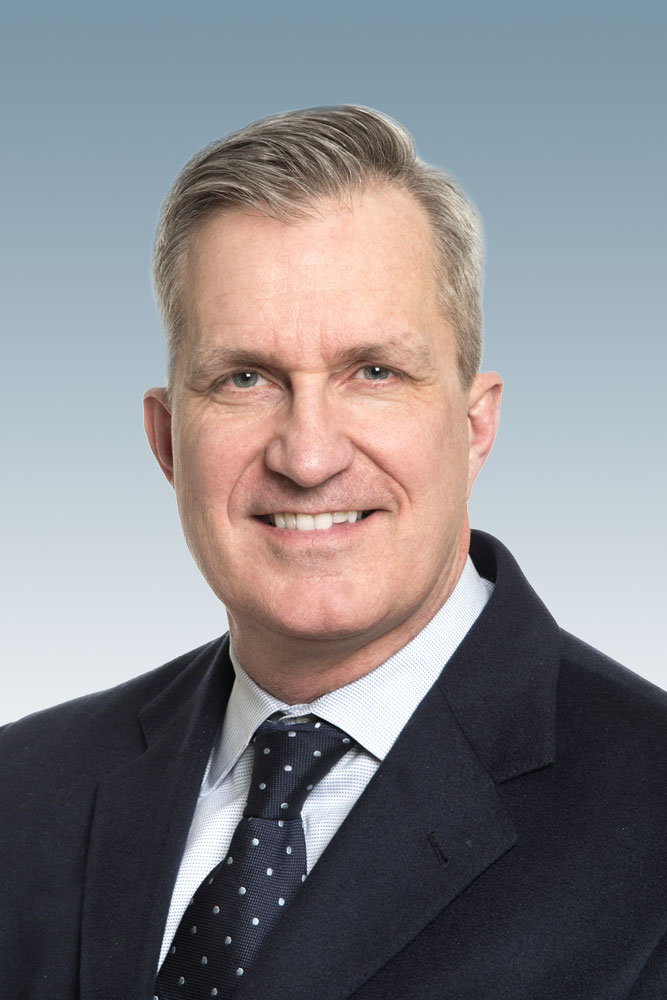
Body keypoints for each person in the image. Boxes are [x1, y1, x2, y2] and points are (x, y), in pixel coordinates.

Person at [1, 106, 666, 1000]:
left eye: (374, 372)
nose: (307, 456)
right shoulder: (22, 791)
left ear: (474, 426)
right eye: (245, 378)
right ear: (167, 440)